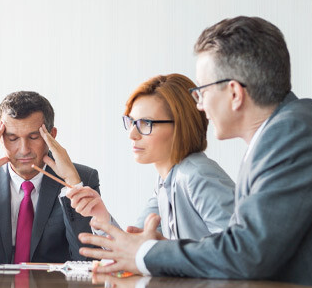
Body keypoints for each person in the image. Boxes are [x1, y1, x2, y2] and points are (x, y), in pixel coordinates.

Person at [79, 16, 312, 288]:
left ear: (234, 93)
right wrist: (162, 250)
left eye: (202, 92)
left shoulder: (292, 136)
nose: (199, 106)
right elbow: (244, 245)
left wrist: (150, 253)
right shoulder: (281, 133)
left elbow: (247, 253)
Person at [0, 91, 100, 264]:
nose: (24, 149)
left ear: (51, 135)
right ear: (0, 139)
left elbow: (88, 260)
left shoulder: (83, 179)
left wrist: (73, 185)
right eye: (13, 138)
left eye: (34, 137)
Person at [66, 74, 234, 240]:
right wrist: (101, 216)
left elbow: (239, 255)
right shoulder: (165, 181)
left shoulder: (198, 175)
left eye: (146, 123)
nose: (132, 134)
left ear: (181, 127)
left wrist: (168, 252)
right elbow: (133, 247)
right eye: (131, 121)